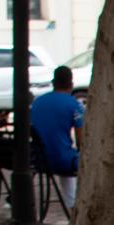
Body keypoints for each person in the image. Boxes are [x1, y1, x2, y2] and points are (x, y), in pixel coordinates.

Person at [28, 64, 85, 213]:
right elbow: (82, 140)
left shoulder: (38, 102)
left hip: (38, 158)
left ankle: (72, 204)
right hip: (62, 160)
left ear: (53, 83)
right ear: (71, 84)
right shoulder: (74, 105)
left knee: (65, 154)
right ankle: (73, 206)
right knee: (76, 159)